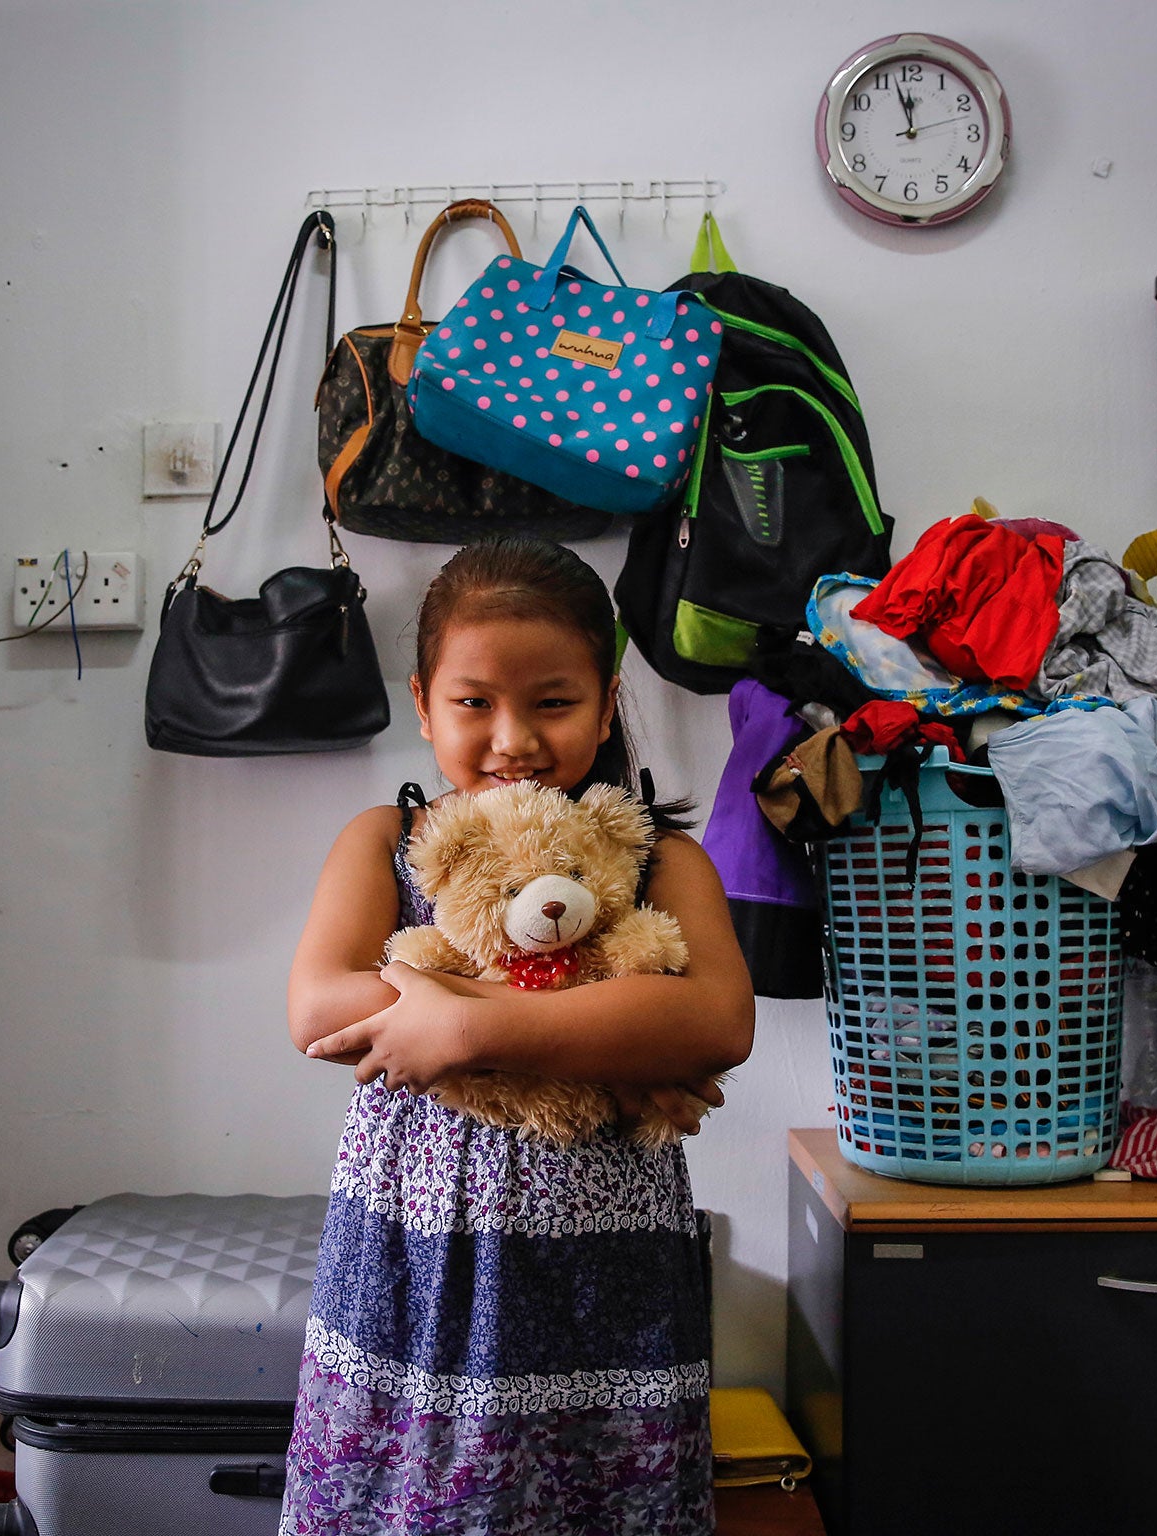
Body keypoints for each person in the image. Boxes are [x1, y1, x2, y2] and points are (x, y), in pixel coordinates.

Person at [280, 535, 755, 1535]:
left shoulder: (659, 861)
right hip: (416, 1262)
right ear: (420, 701)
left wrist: (459, 1023)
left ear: (607, 698)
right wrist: (606, 1030)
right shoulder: (387, 842)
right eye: (472, 703)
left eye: (551, 701)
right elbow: (322, 1007)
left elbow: (714, 1022)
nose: (513, 739)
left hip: (607, 1273)